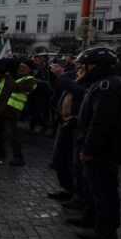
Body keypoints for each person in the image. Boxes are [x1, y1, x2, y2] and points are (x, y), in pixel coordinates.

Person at [66, 47, 121, 239]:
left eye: (83, 65)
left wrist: (89, 149)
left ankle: (105, 231)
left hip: (103, 149)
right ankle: (90, 217)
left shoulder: (106, 86)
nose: (80, 68)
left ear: (95, 65)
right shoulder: (107, 83)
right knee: (92, 186)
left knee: (104, 190)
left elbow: (101, 122)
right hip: (102, 147)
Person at [47, 62, 87, 206]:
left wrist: (61, 76)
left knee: (77, 164)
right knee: (59, 160)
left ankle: (80, 195)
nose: (79, 67)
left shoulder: (91, 81)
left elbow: (80, 93)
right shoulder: (75, 76)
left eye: (82, 65)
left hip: (77, 125)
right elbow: (57, 84)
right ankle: (68, 188)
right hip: (64, 123)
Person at [0, 60, 37, 166]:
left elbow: (14, 88)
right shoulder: (10, 76)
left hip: (11, 110)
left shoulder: (30, 80)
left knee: (12, 134)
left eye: (24, 67)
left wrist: (8, 74)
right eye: (20, 66)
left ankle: (18, 157)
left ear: (30, 69)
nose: (21, 68)